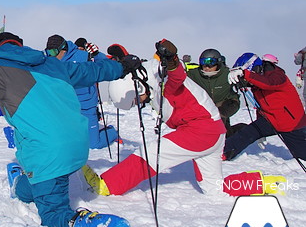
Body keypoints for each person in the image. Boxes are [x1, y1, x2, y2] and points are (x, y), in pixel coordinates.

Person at [0, 31, 141, 227]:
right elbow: (92, 71)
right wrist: (121, 67)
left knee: (52, 215)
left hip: (49, 155)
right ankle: (20, 183)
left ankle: (93, 225)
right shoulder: (52, 63)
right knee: (35, 183)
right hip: (78, 147)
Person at [83, 39, 227, 196]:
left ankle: (108, 185)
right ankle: (256, 182)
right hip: (213, 131)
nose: (139, 103)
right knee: (215, 189)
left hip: (201, 129)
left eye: (136, 100)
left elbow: (177, 75)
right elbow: (138, 69)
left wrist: (171, 59)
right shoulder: (149, 77)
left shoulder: (164, 83)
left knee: (151, 154)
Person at [223, 52, 306, 161]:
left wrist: (246, 74)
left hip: (291, 124)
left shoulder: (276, 74)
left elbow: (270, 83)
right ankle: (222, 153)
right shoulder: (256, 85)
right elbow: (261, 106)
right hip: (270, 120)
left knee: (302, 154)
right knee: (247, 133)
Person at [45, 34, 117, 149]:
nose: (50, 55)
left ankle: (112, 132)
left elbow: (107, 66)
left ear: (63, 49)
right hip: (66, 108)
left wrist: (96, 55)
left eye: (53, 52)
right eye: (48, 52)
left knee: (93, 144)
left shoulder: (84, 56)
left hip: (86, 106)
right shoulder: (51, 61)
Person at [187, 48, 241, 137]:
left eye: (211, 64)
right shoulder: (194, 74)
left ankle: (222, 142)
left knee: (218, 117)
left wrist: (243, 75)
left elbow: (249, 81)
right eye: (204, 64)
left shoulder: (227, 74)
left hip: (227, 104)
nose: (207, 68)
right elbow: (179, 76)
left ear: (218, 63)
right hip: (206, 106)